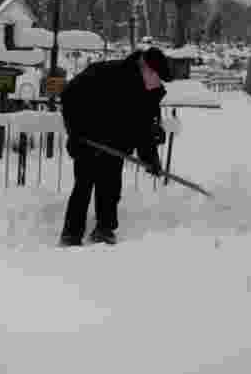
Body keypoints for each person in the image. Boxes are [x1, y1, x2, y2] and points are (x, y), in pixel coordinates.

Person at [58, 47, 172, 247]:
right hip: (88, 141)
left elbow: (142, 127)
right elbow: (69, 96)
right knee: (83, 186)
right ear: (146, 68)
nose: (158, 82)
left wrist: (150, 158)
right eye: (157, 76)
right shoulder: (106, 73)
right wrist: (76, 132)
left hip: (116, 146)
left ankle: (104, 229)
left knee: (110, 188)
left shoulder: (147, 91)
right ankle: (71, 234)